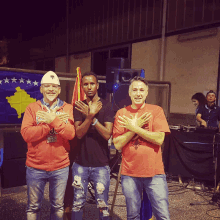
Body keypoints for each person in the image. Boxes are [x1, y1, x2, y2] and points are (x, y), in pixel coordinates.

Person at [113, 76, 170, 220]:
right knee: (133, 215)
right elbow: (118, 144)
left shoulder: (156, 111)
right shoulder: (122, 114)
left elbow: (159, 139)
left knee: (162, 215)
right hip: (130, 173)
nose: (138, 93)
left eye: (141, 90)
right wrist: (133, 128)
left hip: (155, 172)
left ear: (146, 93)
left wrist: (135, 128)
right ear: (130, 93)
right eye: (135, 90)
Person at [21, 71, 75, 220]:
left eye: (54, 86)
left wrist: (52, 120)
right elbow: (26, 134)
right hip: (35, 166)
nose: (51, 89)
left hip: (60, 167)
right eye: (47, 86)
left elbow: (70, 134)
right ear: (41, 89)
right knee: (33, 206)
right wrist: (52, 122)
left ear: (59, 90)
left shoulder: (68, 108)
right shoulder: (32, 108)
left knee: (57, 206)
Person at [71, 72, 115, 220]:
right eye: (85, 84)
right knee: (77, 203)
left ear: (97, 85)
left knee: (102, 205)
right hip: (80, 164)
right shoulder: (79, 106)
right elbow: (78, 133)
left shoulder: (107, 105)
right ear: (82, 86)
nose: (89, 87)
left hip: (101, 164)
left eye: (92, 83)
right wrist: (89, 115)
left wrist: (93, 119)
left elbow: (107, 134)